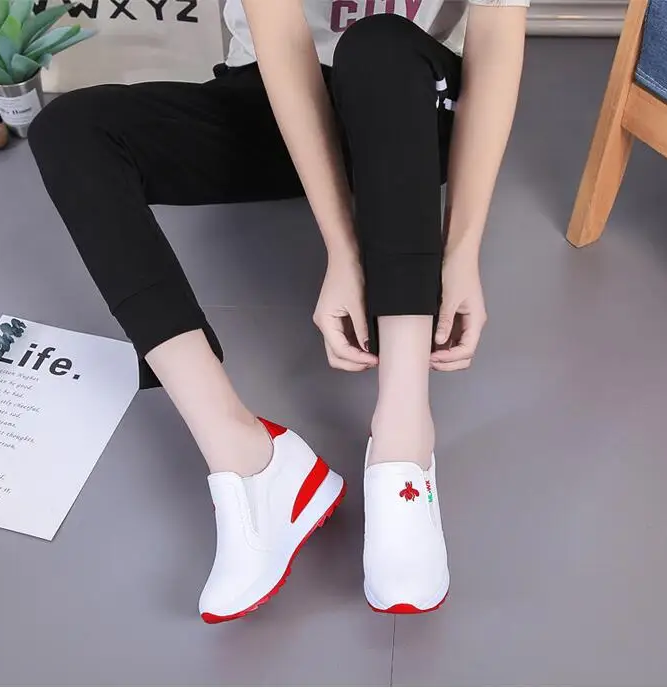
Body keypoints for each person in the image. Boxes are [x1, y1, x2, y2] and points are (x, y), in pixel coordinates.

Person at [29, 0, 529, 622]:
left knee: (377, 45)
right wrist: (342, 250)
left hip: (409, 106)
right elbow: (284, 45)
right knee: (71, 129)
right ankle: (245, 458)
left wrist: (460, 253)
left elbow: (496, 41)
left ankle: (404, 444)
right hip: (279, 100)